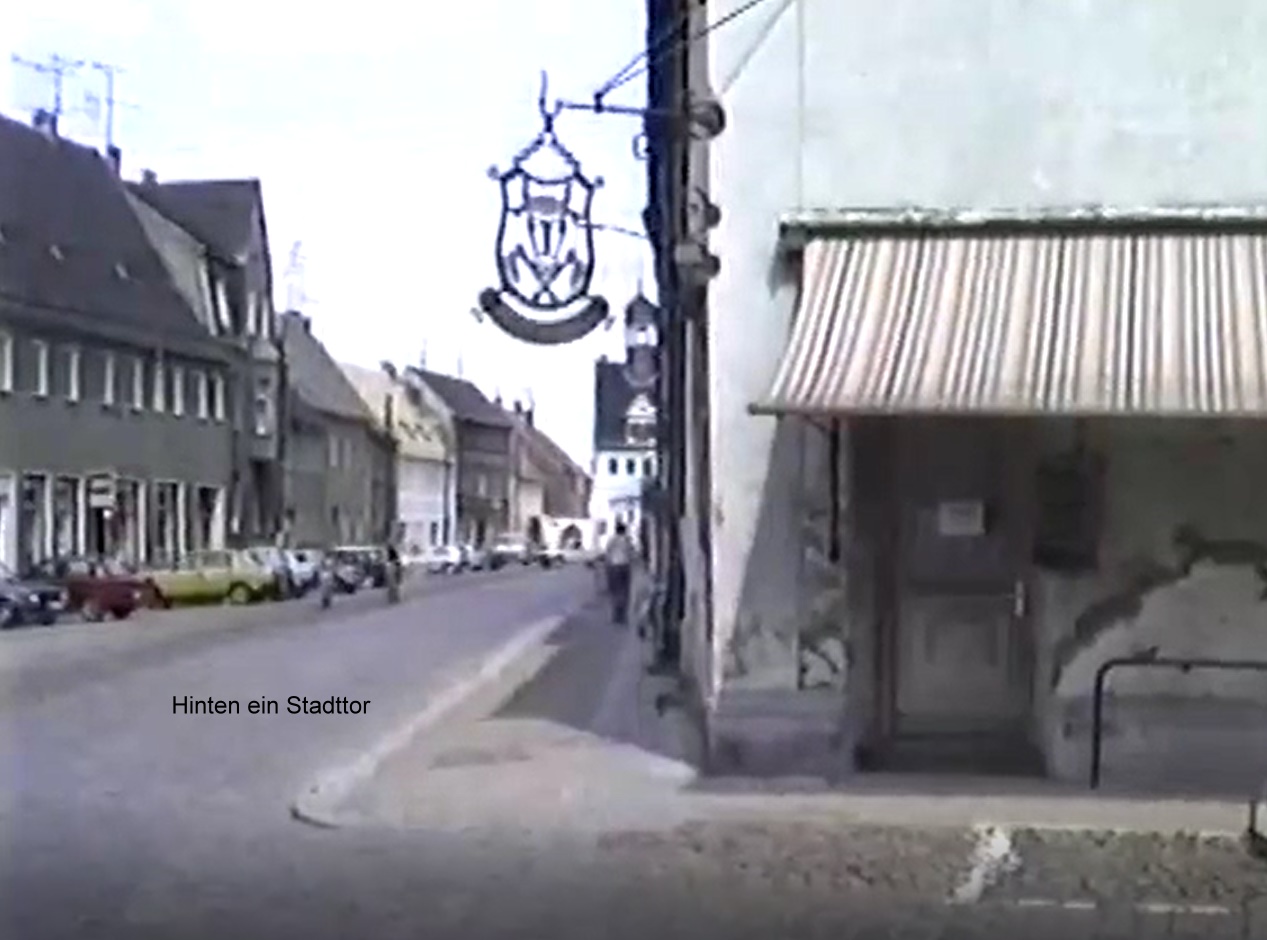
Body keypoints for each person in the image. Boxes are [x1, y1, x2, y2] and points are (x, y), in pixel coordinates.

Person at [603, 522, 635, 626]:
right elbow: (632, 554)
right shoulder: (627, 540)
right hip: (625, 566)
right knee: (625, 591)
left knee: (615, 590)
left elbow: (607, 553)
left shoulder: (612, 540)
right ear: (624, 530)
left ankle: (616, 614)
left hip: (614, 566)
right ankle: (623, 614)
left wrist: (606, 567)